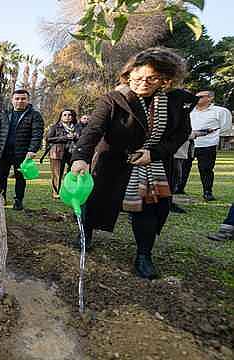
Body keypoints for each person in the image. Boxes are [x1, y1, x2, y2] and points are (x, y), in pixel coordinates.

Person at [70, 47, 198, 280]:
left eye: (152, 78)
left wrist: (155, 153)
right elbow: (93, 130)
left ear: (165, 80)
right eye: (137, 78)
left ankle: (143, 255)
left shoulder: (176, 102)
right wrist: (80, 157)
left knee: (148, 210)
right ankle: (85, 235)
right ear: (128, 75)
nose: (143, 83)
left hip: (152, 166)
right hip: (113, 163)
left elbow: (181, 134)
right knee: (96, 201)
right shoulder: (114, 99)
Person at [0, 89, 44, 210]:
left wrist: (32, 150)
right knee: (0, 176)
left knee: (20, 178)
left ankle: (18, 200)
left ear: (27, 100)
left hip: (22, 153)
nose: (20, 101)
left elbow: (37, 134)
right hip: (3, 152)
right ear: (12, 100)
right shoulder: (4, 114)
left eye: (23, 99)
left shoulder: (34, 115)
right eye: (17, 98)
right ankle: (1, 197)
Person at [189, 90, 232, 201]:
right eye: (196, 96)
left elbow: (225, 128)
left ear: (210, 98)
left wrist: (215, 137)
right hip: (188, 143)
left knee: (205, 168)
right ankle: (179, 188)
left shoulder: (220, 111)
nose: (197, 99)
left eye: (201, 97)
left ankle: (207, 191)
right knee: (183, 167)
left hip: (207, 143)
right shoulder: (190, 110)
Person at [46, 109, 79, 199]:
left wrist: (76, 137)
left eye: (69, 115)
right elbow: (49, 139)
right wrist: (65, 137)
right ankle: (56, 193)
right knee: (57, 173)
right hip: (57, 152)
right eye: (65, 115)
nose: (67, 116)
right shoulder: (55, 127)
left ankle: (69, 191)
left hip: (72, 152)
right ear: (61, 117)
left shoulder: (77, 127)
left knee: (72, 173)